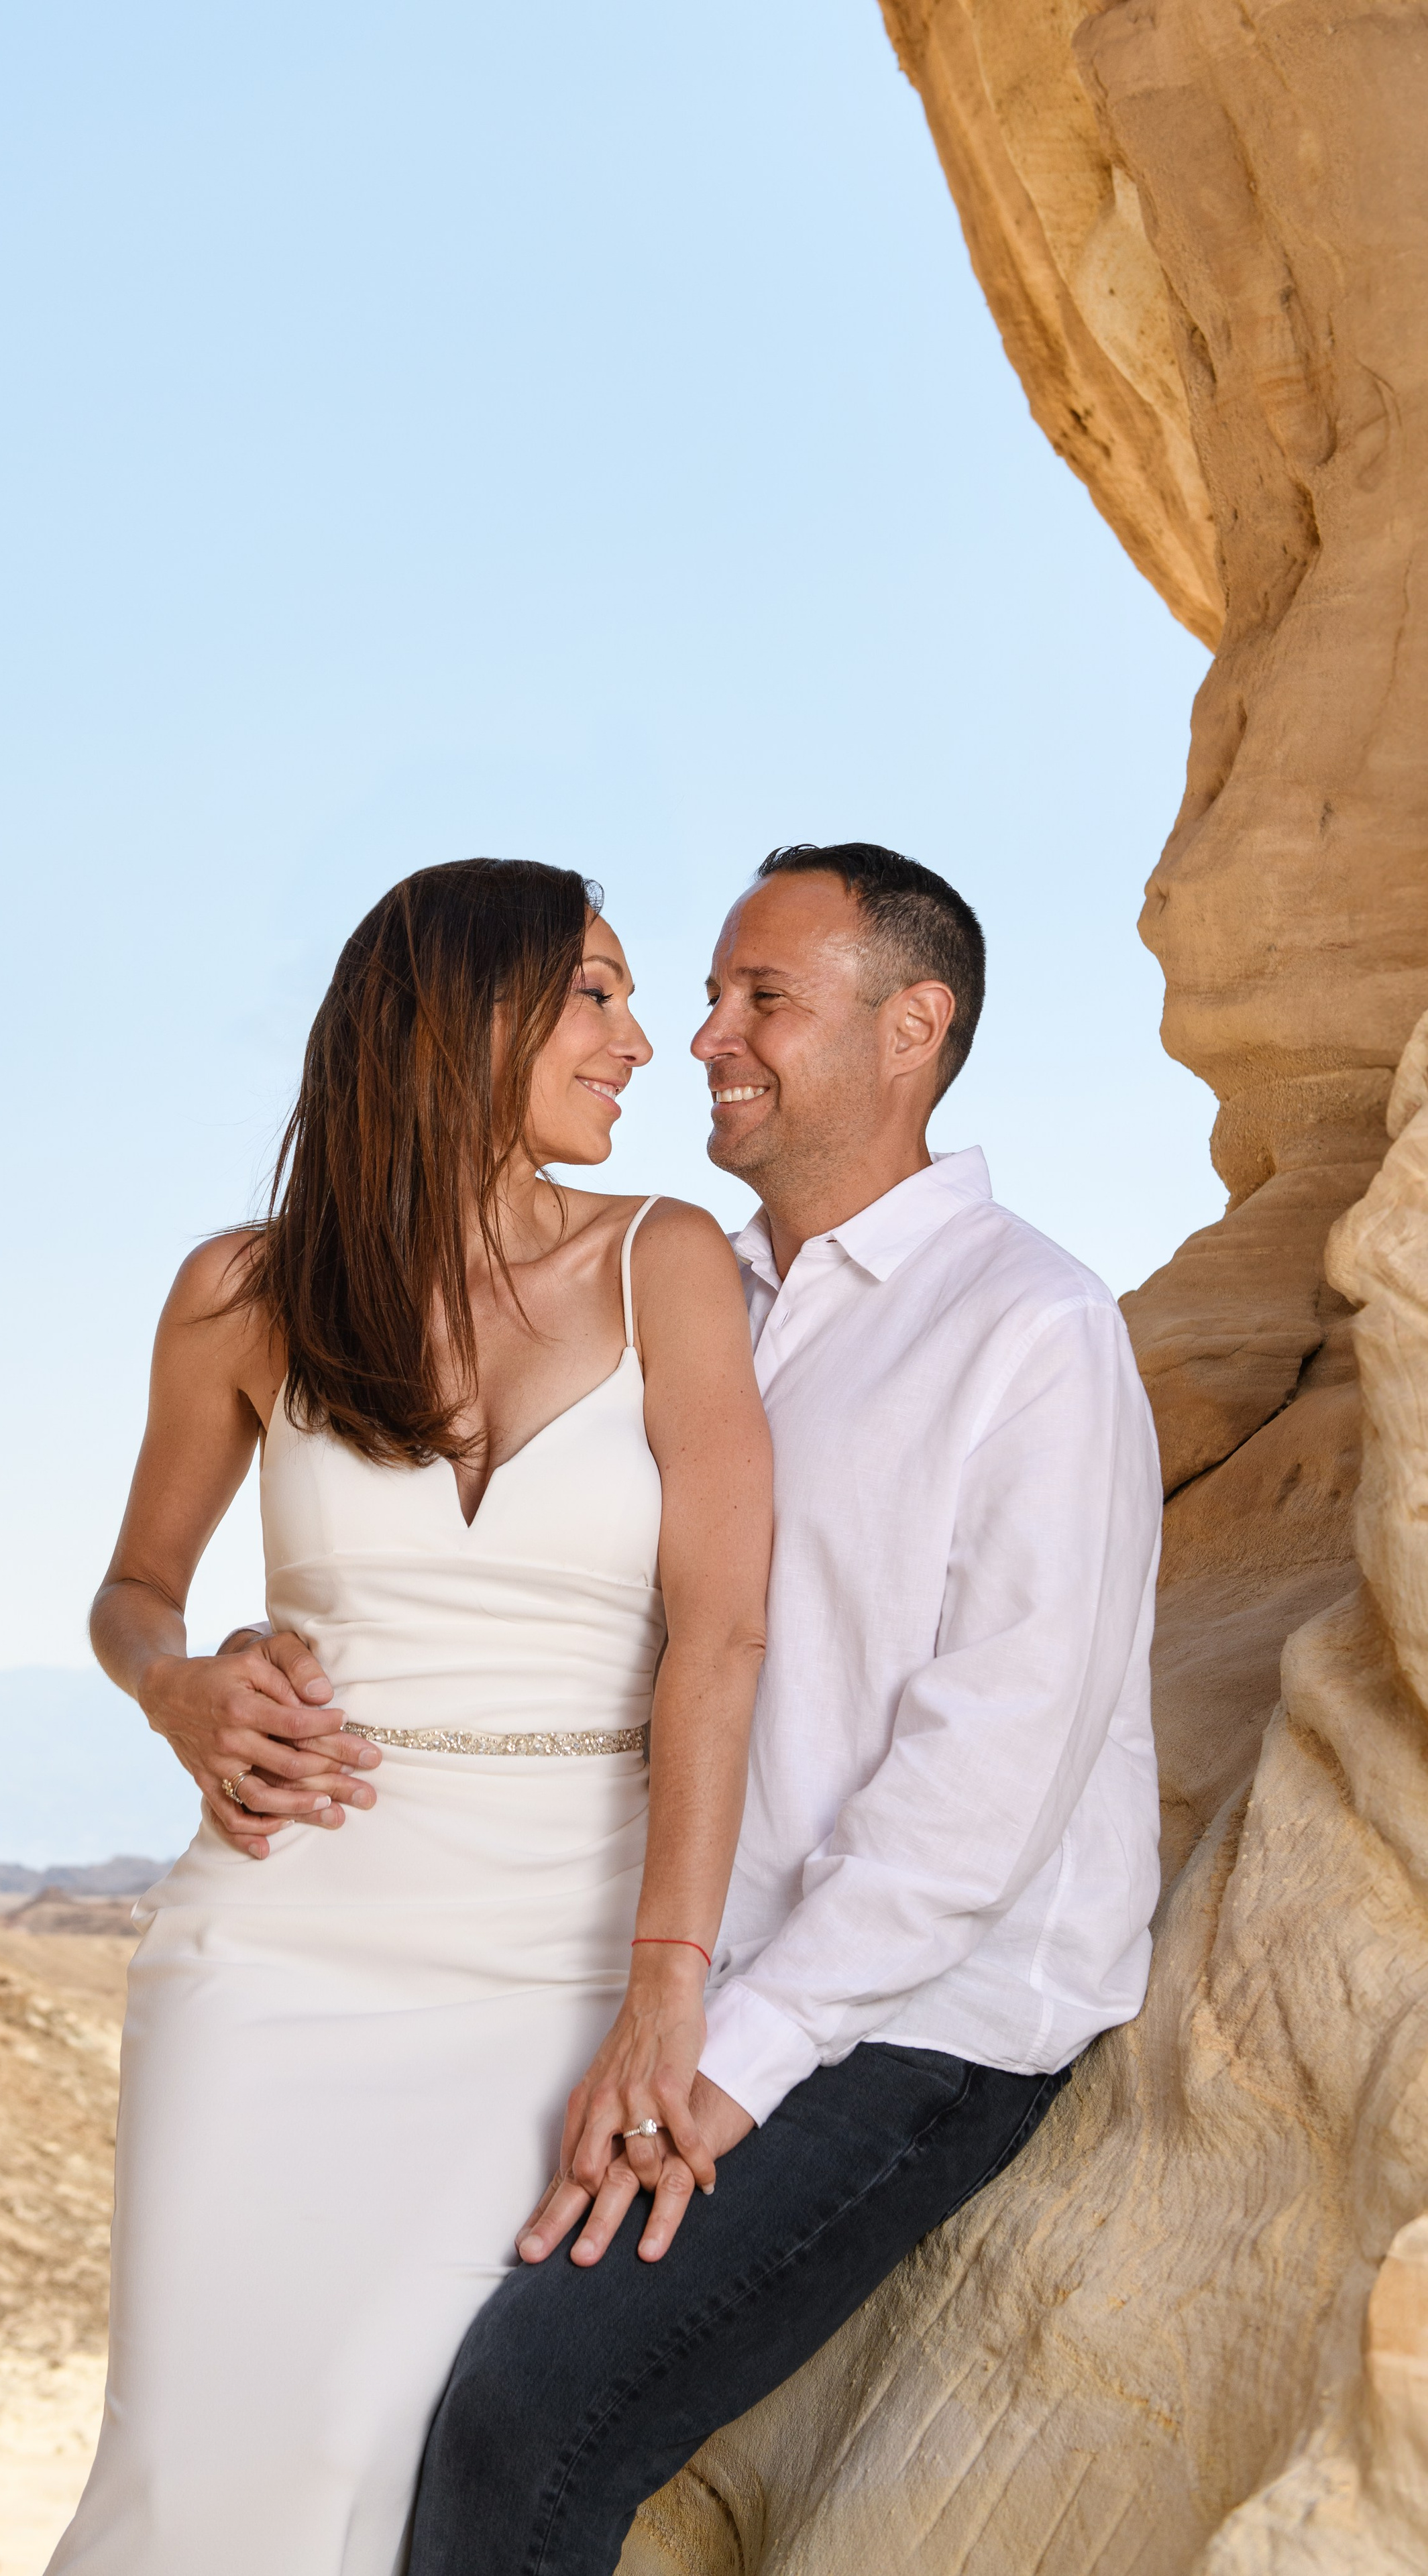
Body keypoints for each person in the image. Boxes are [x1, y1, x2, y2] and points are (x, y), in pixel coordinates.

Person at [259, 841, 1163, 2576]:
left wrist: (726, 2062)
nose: (703, 1037)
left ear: (916, 1028)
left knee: (529, 2415)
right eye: (708, 993)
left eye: (766, 999)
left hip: (915, 2022)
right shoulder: (694, 1297)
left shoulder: (1031, 1328)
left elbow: (999, 1767)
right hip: (675, 1971)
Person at [45, 858, 771, 2576]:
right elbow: (130, 1593)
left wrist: (664, 1983)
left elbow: (722, 1635)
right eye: (594, 993)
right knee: (204, 2466)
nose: (643, 1039)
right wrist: (180, 1687)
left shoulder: (667, 1261)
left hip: (558, 1957)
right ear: (464, 1016)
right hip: (278, 1943)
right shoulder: (243, 1288)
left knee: (390, 2446)